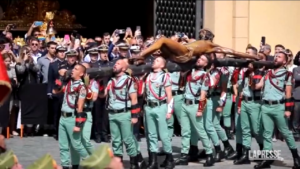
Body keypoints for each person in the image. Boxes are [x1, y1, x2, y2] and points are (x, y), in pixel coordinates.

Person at [254, 51, 300, 169]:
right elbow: (256, 86)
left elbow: (288, 93)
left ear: (284, 61)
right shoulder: (268, 73)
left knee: (286, 133)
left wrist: (288, 109)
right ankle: (267, 159)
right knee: (267, 134)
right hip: (265, 106)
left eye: (279, 57)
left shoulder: (287, 74)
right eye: (275, 56)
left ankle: (296, 158)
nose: (276, 58)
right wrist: (259, 70)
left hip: (279, 107)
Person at [132, 29, 262, 65]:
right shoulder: (196, 41)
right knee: (160, 44)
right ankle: (142, 58)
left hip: (185, 54)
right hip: (181, 52)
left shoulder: (211, 45)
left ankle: (140, 55)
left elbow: (234, 52)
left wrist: (253, 56)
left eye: (204, 32)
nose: (202, 32)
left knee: (162, 40)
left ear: (208, 36)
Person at [101, 59, 143, 168]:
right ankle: (118, 163)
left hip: (124, 113)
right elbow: (103, 95)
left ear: (124, 68)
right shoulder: (111, 81)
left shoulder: (129, 81)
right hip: (112, 113)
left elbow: (134, 99)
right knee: (115, 140)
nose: (115, 65)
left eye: (118, 64)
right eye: (115, 63)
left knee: (128, 140)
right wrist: (100, 83)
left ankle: (134, 164)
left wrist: (134, 116)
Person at [175, 55, 214, 167]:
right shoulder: (190, 72)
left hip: (195, 106)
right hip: (185, 104)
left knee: (201, 131)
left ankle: (209, 154)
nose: (198, 60)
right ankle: (184, 155)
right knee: (185, 131)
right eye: (199, 58)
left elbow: (203, 95)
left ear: (206, 64)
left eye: (202, 59)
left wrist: (200, 110)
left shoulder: (205, 76)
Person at [55, 64, 89, 169]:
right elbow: (56, 89)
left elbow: (80, 106)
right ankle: (66, 166)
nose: (72, 70)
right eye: (73, 68)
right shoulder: (69, 83)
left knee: (76, 145)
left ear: (81, 73)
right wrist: (61, 76)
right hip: (63, 117)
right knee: (63, 145)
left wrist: (78, 124)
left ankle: (90, 162)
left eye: (76, 69)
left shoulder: (81, 87)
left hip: (72, 118)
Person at [144, 56, 174, 169]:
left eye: (157, 61)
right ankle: (153, 160)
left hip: (160, 106)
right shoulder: (149, 76)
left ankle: (169, 158)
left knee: (163, 134)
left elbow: (169, 95)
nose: (153, 62)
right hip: (149, 106)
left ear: (162, 65)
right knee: (151, 134)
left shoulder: (165, 76)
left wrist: (169, 111)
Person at [81, 63, 99, 155]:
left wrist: (87, 86)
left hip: (86, 112)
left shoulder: (93, 83)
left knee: (85, 140)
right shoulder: (76, 82)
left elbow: (94, 98)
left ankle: (96, 159)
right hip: (76, 113)